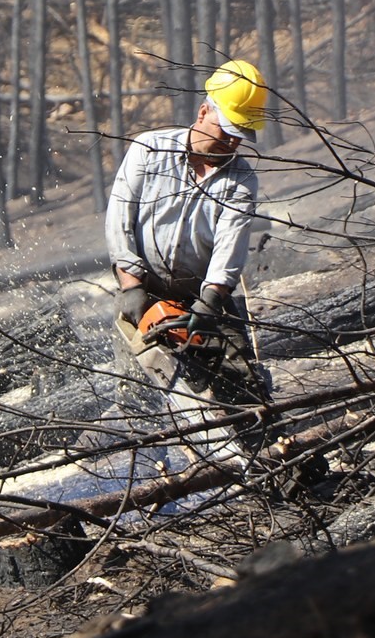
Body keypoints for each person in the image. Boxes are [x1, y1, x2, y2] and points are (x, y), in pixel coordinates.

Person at [104, 61, 269, 419]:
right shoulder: (150, 150)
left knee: (243, 381)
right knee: (139, 394)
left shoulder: (241, 181)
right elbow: (119, 220)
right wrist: (131, 286)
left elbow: (230, 247)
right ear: (203, 111)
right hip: (144, 286)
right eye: (225, 130)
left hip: (204, 292)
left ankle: (266, 451)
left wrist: (210, 302)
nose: (231, 142)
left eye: (239, 134)